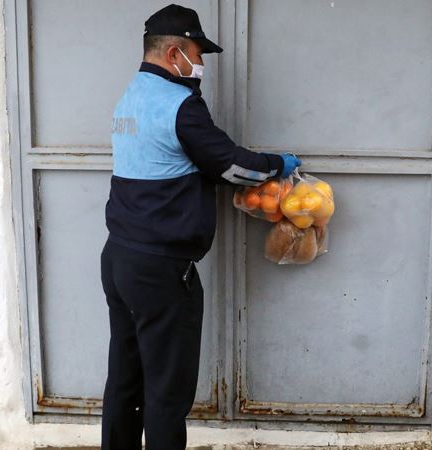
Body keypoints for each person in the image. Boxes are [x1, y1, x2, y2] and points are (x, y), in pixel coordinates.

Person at [100, 4, 302, 449]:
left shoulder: (130, 95)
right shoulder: (180, 105)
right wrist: (280, 165)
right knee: (167, 391)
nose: (202, 63)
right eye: (198, 52)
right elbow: (230, 166)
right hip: (161, 270)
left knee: (125, 379)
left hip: (120, 259)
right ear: (175, 52)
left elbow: (177, 160)